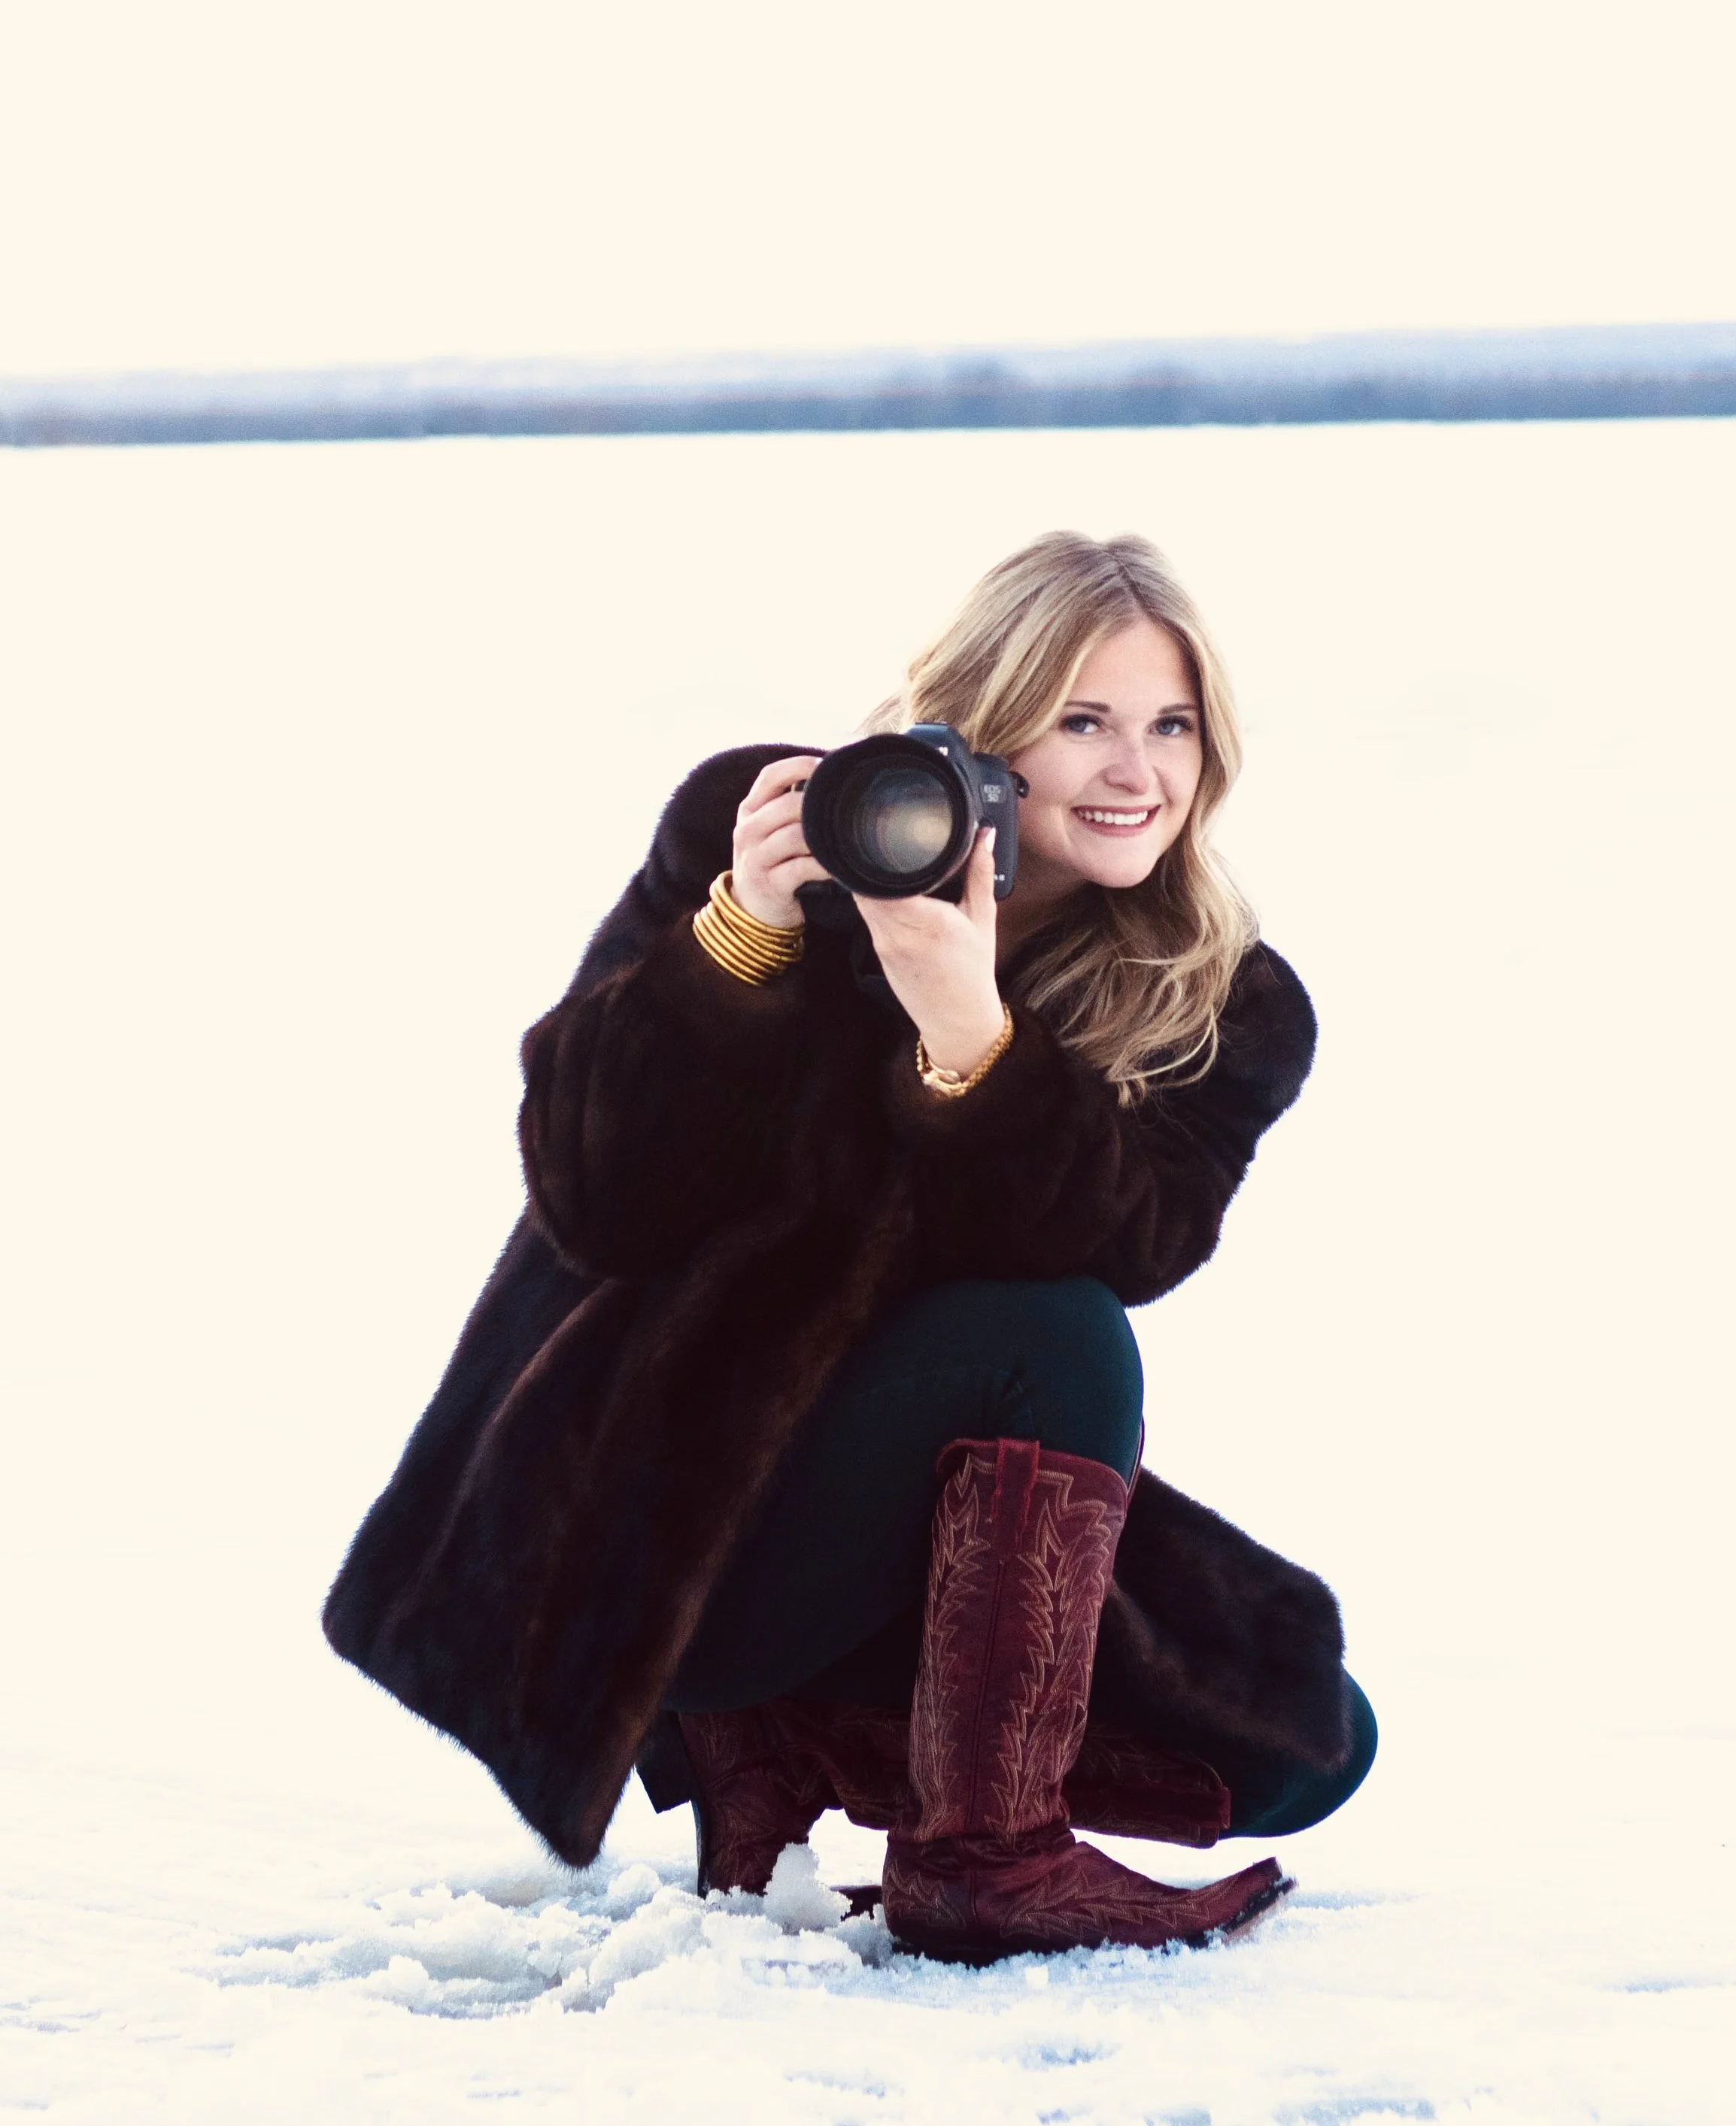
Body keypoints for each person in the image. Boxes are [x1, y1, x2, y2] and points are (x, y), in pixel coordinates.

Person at [324, 530, 1376, 1964]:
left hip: (874, 1502)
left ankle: (784, 1750)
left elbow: (1139, 1232)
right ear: (982, 727)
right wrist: (740, 938)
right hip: (634, 1523)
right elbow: (593, 1193)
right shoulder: (771, 838)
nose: (1139, 772)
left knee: (1308, 1732)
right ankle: (980, 1856)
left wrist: (974, 1036)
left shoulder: (1225, 1001)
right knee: (1061, 1335)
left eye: (1171, 725)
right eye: (1084, 722)